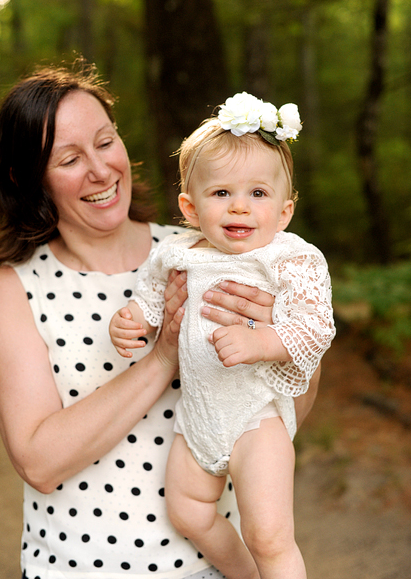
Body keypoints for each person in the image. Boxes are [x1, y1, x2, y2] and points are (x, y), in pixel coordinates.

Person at [0, 64, 322, 579]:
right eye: (70, 158)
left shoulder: (216, 248)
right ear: (26, 176)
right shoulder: (16, 288)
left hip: (208, 569)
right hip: (75, 569)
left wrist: (287, 340)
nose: (100, 170)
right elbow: (38, 462)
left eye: (105, 141)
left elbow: (286, 410)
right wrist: (162, 356)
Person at [109, 93, 335, 579]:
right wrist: (132, 319)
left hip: (256, 419)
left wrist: (262, 341)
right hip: (197, 421)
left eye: (258, 194)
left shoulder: (290, 258)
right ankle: (244, 575)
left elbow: (317, 325)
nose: (239, 207)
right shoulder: (180, 252)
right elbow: (151, 294)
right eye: (221, 194)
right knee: (188, 510)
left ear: (284, 210)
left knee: (269, 534)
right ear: (190, 208)